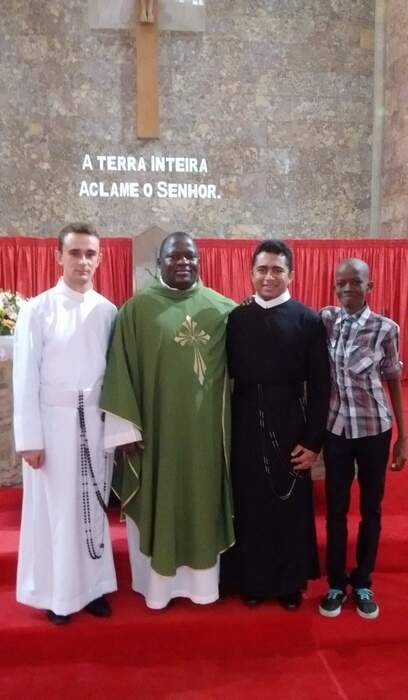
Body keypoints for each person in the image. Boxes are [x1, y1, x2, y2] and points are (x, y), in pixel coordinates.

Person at [100, 232, 235, 610]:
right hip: (155, 434)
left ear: (199, 261)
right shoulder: (136, 311)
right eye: (174, 257)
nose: (183, 262)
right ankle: (157, 588)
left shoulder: (223, 309)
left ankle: (203, 586)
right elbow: (120, 369)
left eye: (190, 256)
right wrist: (126, 429)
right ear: (158, 263)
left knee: (202, 499)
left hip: (206, 437)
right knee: (158, 497)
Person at [13, 223, 117, 625]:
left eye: (90, 254)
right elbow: (25, 377)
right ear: (59, 256)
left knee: (92, 505)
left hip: (94, 422)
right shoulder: (37, 309)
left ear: (100, 259)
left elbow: (115, 378)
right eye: (75, 253)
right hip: (52, 427)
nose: (82, 261)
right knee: (56, 512)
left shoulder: (107, 310)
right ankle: (58, 595)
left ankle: (92, 588)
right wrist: (29, 439)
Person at [221, 240, 330, 610]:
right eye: (262, 270)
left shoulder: (308, 320)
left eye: (277, 270)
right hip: (245, 418)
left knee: (290, 505)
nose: (269, 277)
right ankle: (252, 581)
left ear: (291, 275)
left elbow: (321, 386)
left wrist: (313, 442)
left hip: (290, 420)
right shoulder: (236, 320)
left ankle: (288, 583)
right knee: (249, 501)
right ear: (251, 273)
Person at [319, 258, 406, 619]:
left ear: (370, 286)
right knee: (336, 510)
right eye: (341, 283)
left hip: (374, 430)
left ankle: (363, 581)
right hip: (336, 429)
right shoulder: (326, 320)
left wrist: (402, 437)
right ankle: (336, 583)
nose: (347, 289)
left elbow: (393, 381)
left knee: (371, 508)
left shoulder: (386, 329)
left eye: (355, 282)